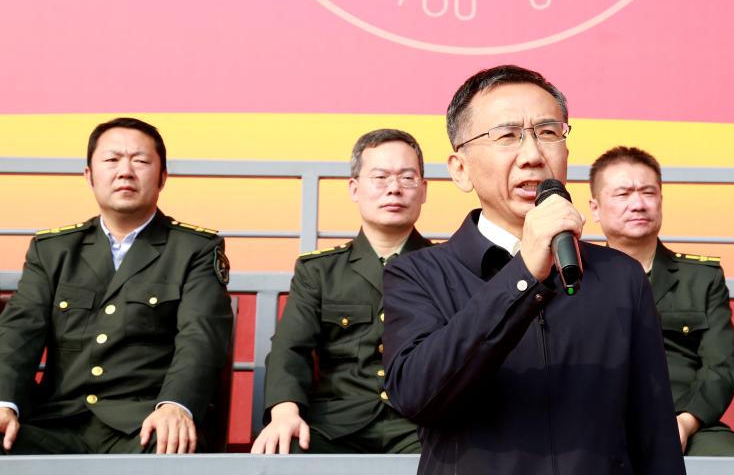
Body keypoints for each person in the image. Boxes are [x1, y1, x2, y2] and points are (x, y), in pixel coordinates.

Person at [382, 65, 685, 475]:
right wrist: (524, 274)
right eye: (506, 136)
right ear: (460, 169)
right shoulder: (418, 274)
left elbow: (655, 437)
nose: (532, 155)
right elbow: (418, 396)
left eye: (547, 132)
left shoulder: (622, 277)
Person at [0, 117, 233, 454]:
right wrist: (4, 402)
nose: (125, 172)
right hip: (56, 423)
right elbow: (20, 332)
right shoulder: (53, 250)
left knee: (172, 446)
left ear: (162, 177)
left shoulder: (194, 249)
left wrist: (176, 405)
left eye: (140, 161)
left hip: (144, 425)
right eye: (111, 160)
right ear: (89, 176)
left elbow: (201, 336)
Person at [252, 129, 431, 454]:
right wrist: (285, 411)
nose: (394, 188)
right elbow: (290, 349)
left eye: (407, 178)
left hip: (420, 425)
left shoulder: (447, 267)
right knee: (285, 448)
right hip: (336, 427)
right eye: (380, 177)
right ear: (354, 188)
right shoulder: (318, 272)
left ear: (423, 190)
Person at [588, 146, 734, 457]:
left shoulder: (701, 278)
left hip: (684, 419)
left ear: (661, 200)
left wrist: (685, 423)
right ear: (595, 209)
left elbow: (722, 365)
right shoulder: (575, 276)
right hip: (597, 422)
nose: (638, 204)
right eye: (623, 194)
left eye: (648, 192)